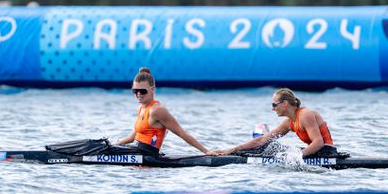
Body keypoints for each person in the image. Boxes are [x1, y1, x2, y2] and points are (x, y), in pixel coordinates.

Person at [212, 88, 340, 158]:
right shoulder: (289, 123)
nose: (272, 108)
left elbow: (318, 142)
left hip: (327, 152)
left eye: (274, 105)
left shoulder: (305, 115)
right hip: (315, 152)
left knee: (273, 148)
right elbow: (261, 140)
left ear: (285, 103)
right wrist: (232, 150)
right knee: (267, 146)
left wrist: (296, 156)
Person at [116, 68, 212, 155]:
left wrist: (206, 151)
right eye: (135, 91)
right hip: (136, 151)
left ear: (152, 89)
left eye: (142, 91)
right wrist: (115, 144)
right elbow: (132, 137)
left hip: (148, 156)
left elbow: (181, 133)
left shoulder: (157, 110)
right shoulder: (141, 108)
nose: (138, 94)